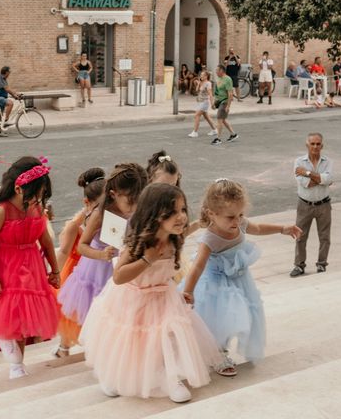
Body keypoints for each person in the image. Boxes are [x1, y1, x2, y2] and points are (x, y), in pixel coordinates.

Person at [80, 184, 231, 403]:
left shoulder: (173, 239)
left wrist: (179, 294)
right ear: (154, 215)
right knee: (131, 340)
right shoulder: (139, 243)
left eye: (182, 210)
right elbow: (119, 276)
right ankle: (114, 375)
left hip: (162, 296)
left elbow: (168, 268)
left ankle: (172, 377)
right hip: (133, 298)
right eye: (172, 212)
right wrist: (147, 259)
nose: (180, 217)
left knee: (168, 337)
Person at [182, 179, 301, 366]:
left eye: (240, 215)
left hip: (239, 280)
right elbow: (197, 266)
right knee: (220, 318)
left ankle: (227, 347)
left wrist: (282, 229)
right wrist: (188, 291)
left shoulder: (240, 223)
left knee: (245, 312)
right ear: (211, 214)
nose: (237, 221)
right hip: (216, 284)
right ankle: (218, 354)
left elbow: (258, 228)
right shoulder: (209, 238)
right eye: (231, 217)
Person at [0, 156, 60, 379]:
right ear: (19, 189)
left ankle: (18, 363)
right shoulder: (2, 210)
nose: (39, 198)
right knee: (10, 315)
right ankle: (15, 363)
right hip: (6, 266)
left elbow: (46, 241)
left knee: (23, 322)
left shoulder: (36, 208)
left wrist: (55, 271)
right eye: (37, 193)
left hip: (31, 267)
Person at [56, 163, 147, 353]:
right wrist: (101, 254)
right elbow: (82, 246)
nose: (134, 205)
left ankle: (110, 349)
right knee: (88, 311)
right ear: (114, 194)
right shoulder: (100, 214)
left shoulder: (136, 210)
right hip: (96, 269)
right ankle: (67, 345)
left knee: (117, 312)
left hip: (121, 266)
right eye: (130, 200)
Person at [53, 167, 106, 358]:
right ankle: (63, 347)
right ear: (88, 203)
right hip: (80, 272)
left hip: (105, 268)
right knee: (74, 313)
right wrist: (53, 277)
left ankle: (99, 348)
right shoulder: (76, 224)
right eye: (101, 204)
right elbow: (65, 252)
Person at [290, 133, 334, 277]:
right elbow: (306, 184)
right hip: (304, 205)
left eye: (318, 144)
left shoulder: (328, 161)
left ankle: (322, 264)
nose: (315, 146)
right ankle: (299, 265)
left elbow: (329, 179)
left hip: (324, 205)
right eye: (312, 144)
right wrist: (320, 178)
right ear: (307, 145)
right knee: (300, 236)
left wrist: (307, 172)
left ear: (322, 145)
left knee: (325, 237)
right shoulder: (298, 162)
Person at [211, 65, 238, 145]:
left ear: (221, 71)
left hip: (225, 102)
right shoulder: (218, 79)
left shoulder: (228, 79)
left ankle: (218, 138)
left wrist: (228, 106)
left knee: (219, 119)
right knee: (223, 119)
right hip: (220, 100)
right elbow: (218, 92)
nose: (216, 72)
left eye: (217, 70)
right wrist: (214, 103)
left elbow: (230, 94)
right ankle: (233, 134)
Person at [187, 70, 218, 139]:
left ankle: (195, 132)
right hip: (200, 102)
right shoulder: (201, 82)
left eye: (202, 75)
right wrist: (198, 83)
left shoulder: (208, 83)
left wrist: (212, 103)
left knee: (197, 115)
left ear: (206, 76)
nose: (201, 76)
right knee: (206, 117)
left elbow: (210, 94)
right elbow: (197, 90)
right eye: (201, 75)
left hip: (205, 102)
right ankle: (214, 130)